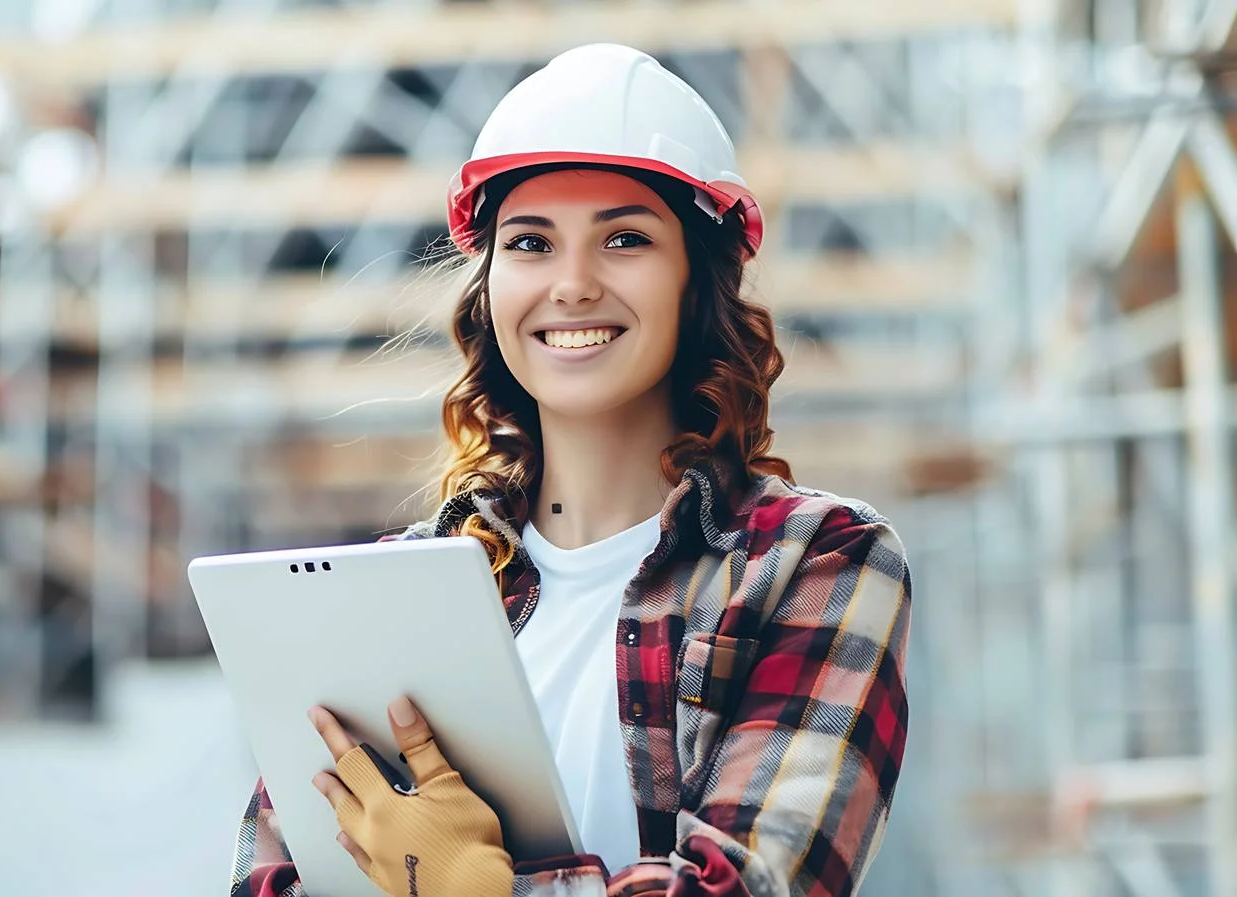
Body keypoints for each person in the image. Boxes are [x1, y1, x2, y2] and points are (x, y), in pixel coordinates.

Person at [228, 43, 912, 897]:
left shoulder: (812, 562)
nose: (573, 284)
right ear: (491, 288)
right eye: (530, 242)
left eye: (625, 238)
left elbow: (752, 887)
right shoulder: (383, 590)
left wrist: (478, 888)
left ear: (698, 280)